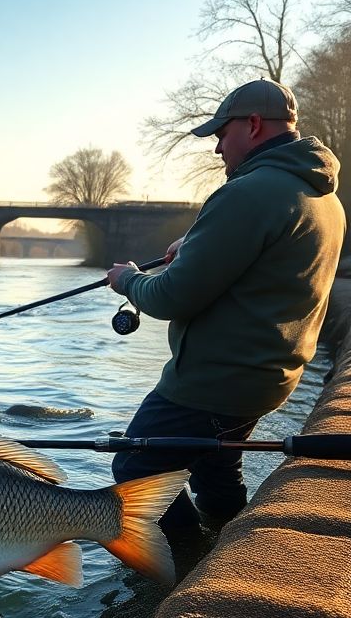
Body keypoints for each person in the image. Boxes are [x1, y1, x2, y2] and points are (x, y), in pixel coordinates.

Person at [107, 78, 346, 530]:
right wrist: (196, 243)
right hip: (268, 379)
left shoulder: (247, 193)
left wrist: (129, 280)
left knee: (136, 466)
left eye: (221, 134)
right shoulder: (322, 195)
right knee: (216, 466)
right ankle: (225, 540)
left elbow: (170, 296)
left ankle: (179, 569)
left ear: (253, 124)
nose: (218, 148)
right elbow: (264, 261)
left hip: (212, 385)